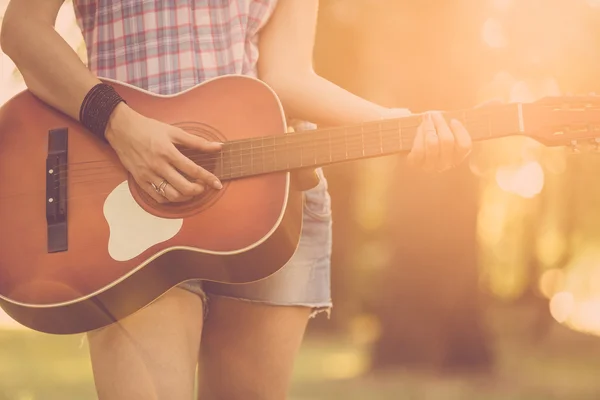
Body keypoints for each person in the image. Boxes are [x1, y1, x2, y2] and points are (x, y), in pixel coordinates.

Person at [0, 1, 473, 399]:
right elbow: (22, 28)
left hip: (271, 205)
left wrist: (397, 124)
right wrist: (119, 125)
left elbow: (286, 76)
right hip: (126, 196)